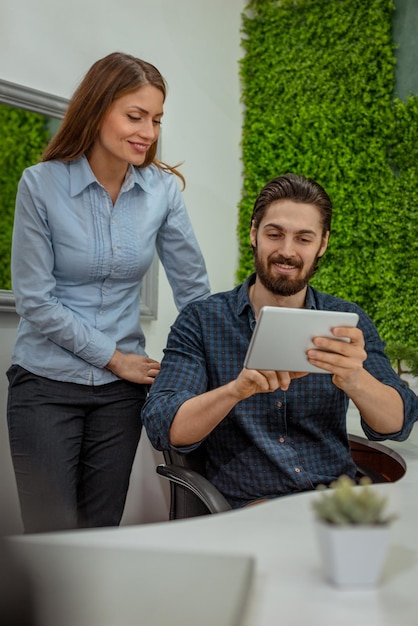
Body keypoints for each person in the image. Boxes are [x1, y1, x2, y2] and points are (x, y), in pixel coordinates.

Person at [7, 52, 210, 532]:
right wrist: (114, 358)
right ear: (98, 109)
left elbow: (194, 291)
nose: (148, 132)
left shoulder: (163, 192)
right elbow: (35, 299)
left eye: (156, 119)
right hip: (45, 386)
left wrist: (213, 363)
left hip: (121, 397)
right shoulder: (40, 185)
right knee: (50, 540)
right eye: (134, 116)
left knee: (101, 534)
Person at [142, 173, 418, 508]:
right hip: (251, 506)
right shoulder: (202, 320)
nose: (286, 251)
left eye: (304, 239)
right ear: (254, 233)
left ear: (323, 244)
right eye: (275, 234)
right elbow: (164, 425)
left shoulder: (346, 323)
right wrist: (236, 390)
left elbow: (397, 422)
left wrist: (355, 380)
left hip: (334, 503)